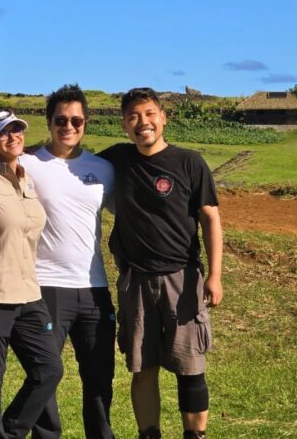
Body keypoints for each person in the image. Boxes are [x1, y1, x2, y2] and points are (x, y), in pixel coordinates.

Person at [98, 88, 224, 439]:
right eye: (134, 117)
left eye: (150, 113)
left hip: (182, 278)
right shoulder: (116, 161)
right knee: (143, 367)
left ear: (163, 117)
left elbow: (211, 219)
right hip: (136, 281)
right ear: (124, 124)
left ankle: (194, 436)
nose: (143, 122)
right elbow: (71, 164)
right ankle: (149, 434)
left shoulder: (189, 162)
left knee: (190, 366)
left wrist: (215, 275)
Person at [21, 85, 116, 439]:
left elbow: (131, 213)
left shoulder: (103, 169)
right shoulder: (28, 163)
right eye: (61, 120)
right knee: (45, 375)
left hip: (94, 288)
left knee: (99, 376)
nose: (69, 127)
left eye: (76, 120)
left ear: (86, 123)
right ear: (49, 122)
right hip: (46, 286)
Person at [0, 107, 64, 439]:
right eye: (4, 131)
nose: (13, 136)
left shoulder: (27, 178)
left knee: (49, 370)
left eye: (17, 129)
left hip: (29, 292)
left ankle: (10, 433)